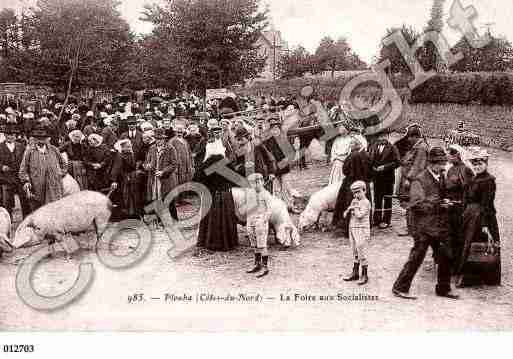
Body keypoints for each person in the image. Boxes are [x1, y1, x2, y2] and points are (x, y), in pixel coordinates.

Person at [392, 147, 459, 300]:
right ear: (431, 163)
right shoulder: (419, 180)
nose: (443, 166)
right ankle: (399, 287)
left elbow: (439, 196)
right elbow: (416, 205)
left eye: (443, 163)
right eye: (440, 163)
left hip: (437, 225)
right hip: (422, 226)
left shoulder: (440, 176)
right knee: (417, 257)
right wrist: (439, 205)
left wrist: (445, 201)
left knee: (446, 255)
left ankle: (443, 288)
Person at [456, 147, 500, 287]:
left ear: (486, 163)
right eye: (475, 164)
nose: (477, 166)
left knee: (479, 246)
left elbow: (486, 204)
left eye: (480, 163)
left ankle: (474, 278)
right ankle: (468, 276)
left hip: (481, 217)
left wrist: (485, 225)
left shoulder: (488, 181)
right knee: (468, 245)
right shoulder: (476, 178)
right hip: (471, 216)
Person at [193, 140, 238, 252]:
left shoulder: (205, 164)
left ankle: (210, 241)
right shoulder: (225, 162)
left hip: (211, 195)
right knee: (225, 219)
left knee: (211, 220)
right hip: (225, 194)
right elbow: (235, 179)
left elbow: (196, 180)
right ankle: (227, 242)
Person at [19, 125, 67, 212]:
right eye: (38, 138)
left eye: (43, 138)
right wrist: (26, 181)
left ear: (47, 139)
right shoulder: (29, 152)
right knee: (39, 212)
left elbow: (64, 165)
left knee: (54, 211)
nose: (41, 140)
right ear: (34, 139)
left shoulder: (54, 150)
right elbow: (23, 170)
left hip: (54, 187)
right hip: (37, 188)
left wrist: (59, 174)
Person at [332, 137, 371, 238]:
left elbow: (345, 170)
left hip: (351, 183)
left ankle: (347, 229)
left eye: (351, 144)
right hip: (362, 183)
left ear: (354, 146)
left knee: (349, 204)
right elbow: (369, 170)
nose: (350, 146)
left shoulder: (352, 156)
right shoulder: (365, 155)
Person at [445, 144, 474, 270]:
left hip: (459, 208)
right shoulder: (451, 169)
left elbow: (468, 191)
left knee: (458, 236)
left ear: (456, 155)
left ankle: (457, 265)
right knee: (448, 235)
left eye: (450, 155)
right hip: (449, 207)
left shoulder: (464, 170)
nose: (448, 157)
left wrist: (462, 206)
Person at [397, 125, 428, 236]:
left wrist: (409, 179)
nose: (408, 140)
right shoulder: (417, 146)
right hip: (412, 179)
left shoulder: (421, 148)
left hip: (415, 181)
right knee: (410, 203)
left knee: (412, 203)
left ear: (415, 136)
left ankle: (412, 229)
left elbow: (418, 166)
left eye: (410, 137)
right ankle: (412, 227)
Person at [143, 128, 179, 222]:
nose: (159, 141)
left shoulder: (170, 148)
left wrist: (163, 171)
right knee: (156, 198)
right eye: (157, 138)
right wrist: (147, 166)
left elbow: (174, 164)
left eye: (160, 139)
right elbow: (146, 162)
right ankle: (159, 219)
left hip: (166, 178)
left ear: (164, 139)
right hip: (154, 178)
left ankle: (174, 218)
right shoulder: (152, 148)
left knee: (168, 199)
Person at [368, 129, 400, 228]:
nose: (382, 138)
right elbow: (369, 159)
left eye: (384, 136)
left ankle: (386, 220)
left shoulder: (392, 148)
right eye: (380, 136)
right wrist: (372, 167)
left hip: (388, 178)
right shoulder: (373, 146)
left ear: (387, 137)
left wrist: (385, 167)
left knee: (387, 199)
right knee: (377, 199)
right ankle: (377, 219)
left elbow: (397, 162)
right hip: (377, 178)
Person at [342, 180, 371, 285]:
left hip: (362, 229)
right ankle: (355, 272)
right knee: (354, 249)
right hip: (353, 227)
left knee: (361, 249)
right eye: (354, 193)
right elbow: (346, 214)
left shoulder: (366, 202)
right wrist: (348, 210)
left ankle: (364, 274)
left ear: (364, 191)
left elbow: (359, 215)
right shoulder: (354, 201)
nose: (356, 195)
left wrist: (354, 208)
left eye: (359, 192)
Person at [245, 172, 273, 278]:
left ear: (260, 182)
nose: (251, 185)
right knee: (254, 245)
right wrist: (248, 220)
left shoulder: (266, 194)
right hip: (251, 220)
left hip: (260, 222)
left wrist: (263, 220)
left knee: (262, 245)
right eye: (250, 183)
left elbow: (270, 210)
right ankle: (257, 264)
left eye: (253, 183)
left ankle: (265, 267)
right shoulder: (250, 193)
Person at [0, 123, 30, 219]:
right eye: (8, 135)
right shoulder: (0, 146)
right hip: (6, 178)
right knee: (6, 201)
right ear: (5, 135)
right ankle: (8, 221)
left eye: (12, 135)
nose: (10, 137)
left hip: (19, 177)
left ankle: (26, 219)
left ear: (15, 136)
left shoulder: (21, 146)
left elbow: (26, 160)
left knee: (25, 200)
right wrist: (1, 167)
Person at [109, 139, 144, 220]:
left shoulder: (131, 154)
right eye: (127, 147)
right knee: (126, 197)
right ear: (122, 148)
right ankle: (127, 215)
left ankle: (134, 213)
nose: (129, 148)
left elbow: (133, 166)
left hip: (133, 178)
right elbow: (116, 169)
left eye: (130, 146)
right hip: (124, 179)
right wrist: (114, 180)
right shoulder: (119, 155)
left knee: (134, 196)